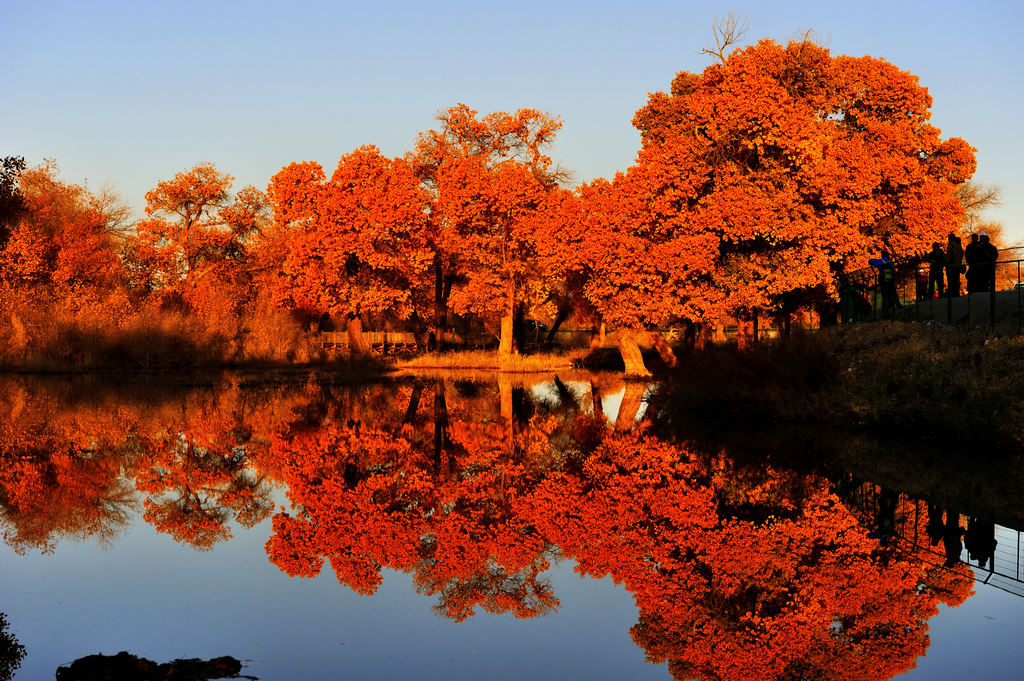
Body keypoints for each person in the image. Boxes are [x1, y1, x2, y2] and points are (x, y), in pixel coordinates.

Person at [868, 250, 898, 318]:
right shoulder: (890, 262)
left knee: (884, 296)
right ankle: (895, 306)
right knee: (892, 293)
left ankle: (885, 311)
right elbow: (894, 271)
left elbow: (870, 261)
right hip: (891, 280)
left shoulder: (880, 262)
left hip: (883, 281)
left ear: (882, 255)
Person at [945, 232, 964, 297]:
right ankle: (956, 293)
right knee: (956, 280)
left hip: (951, 265)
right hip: (957, 265)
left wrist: (947, 261)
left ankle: (952, 294)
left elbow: (949, 255)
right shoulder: (959, 245)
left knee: (951, 280)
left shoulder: (951, 244)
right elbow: (961, 253)